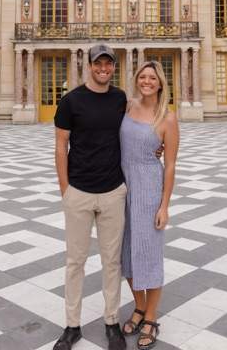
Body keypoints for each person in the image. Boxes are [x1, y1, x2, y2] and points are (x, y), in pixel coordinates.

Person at [53, 44, 128, 350]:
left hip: (113, 191)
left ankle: (112, 321)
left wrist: (158, 147)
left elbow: (137, 129)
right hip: (80, 192)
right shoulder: (71, 101)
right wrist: (65, 189)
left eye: (108, 64)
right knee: (75, 262)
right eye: (99, 64)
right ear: (89, 65)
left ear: (113, 67)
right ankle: (72, 326)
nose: (103, 69)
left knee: (112, 262)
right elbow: (60, 147)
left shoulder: (121, 98)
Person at [120, 61, 179, 350]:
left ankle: (152, 316)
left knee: (149, 254)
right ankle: (139, 306)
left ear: (160, 83)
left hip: (149, 189)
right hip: (121, 188)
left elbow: (169, 166)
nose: (146, 81)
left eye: (151, 78)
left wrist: (164, 205)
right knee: (126, 254)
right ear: (137, 80)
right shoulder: (127, 107)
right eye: (142, 77)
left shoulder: (167, 117)